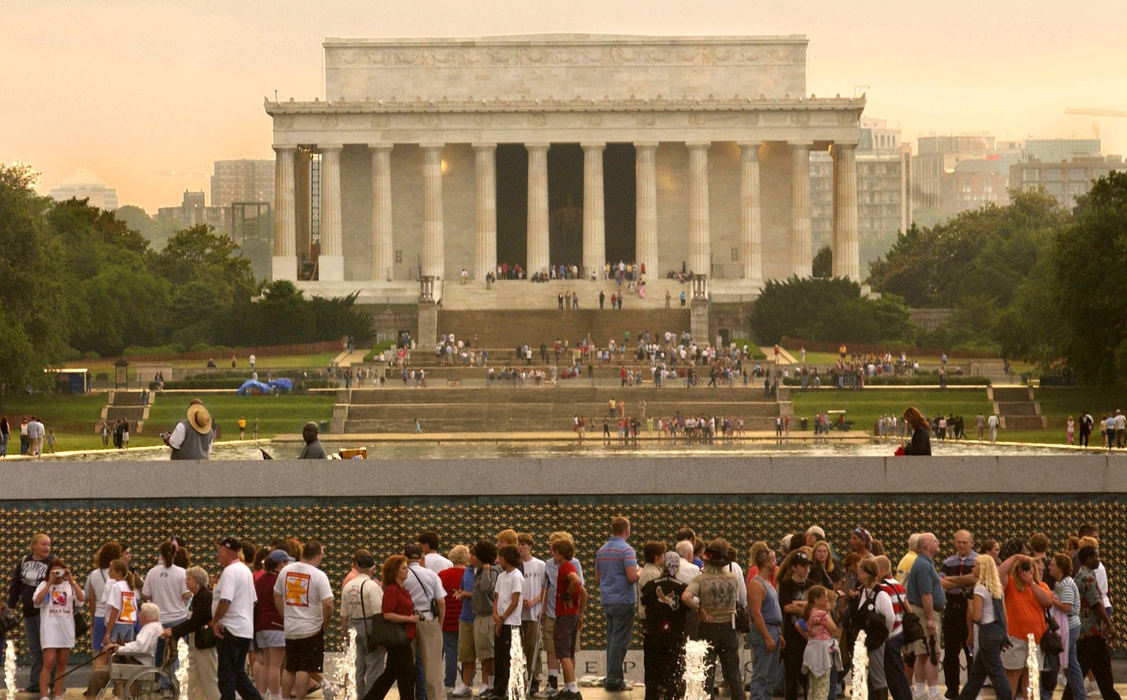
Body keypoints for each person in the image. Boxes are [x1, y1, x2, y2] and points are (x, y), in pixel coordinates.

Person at [682, 538, 745, 700]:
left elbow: (686, 596)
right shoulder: (733, 578)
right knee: (733, 675)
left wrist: (698, 608)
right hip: (728, 627)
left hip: (708, 626)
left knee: (707, 675)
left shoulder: (701, 579)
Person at [274, 541, 334, 700]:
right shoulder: (318, 575)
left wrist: (284, 615)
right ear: (317, 556)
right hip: (311, 628)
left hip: (291, 628)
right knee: (305, 668)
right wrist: (325, 624)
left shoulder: (285, 571)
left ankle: (285, 697)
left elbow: (277, 595)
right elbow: (328, 604)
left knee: (290, 667)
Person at [1063, 546, 1118, 700]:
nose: (1098, 559)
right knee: (1080, 671)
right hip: (1090, 634)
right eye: (1095, 557)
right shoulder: (1086, 578)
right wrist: (1110, 625)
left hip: (1093, 635)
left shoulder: (1085, 575)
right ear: (1087, 559)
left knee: (1103, 674)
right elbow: (1096, 604)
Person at [211, 537, 263, 700]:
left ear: (227, 551)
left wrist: (215, 621)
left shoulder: (230, 571)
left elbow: (225, 600)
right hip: (244, 631)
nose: (217, 554)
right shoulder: (246, 570)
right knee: (239, 676)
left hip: (231, 630)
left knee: (227, 677)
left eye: (219, 550)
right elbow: (253, 601)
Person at [996, 554, 1052, 700]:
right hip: (1015, 638)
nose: (1026, 571)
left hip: (1036, 640)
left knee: (1031, 677)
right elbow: (999, 573)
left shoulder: (1042, 586)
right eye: (1022, 569)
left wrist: (1031, 583)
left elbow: (1047, 601)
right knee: (1012, 674)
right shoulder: (1011, 584)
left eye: (1029, 568)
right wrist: (1015, 558)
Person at [954, 556, 1012, 700]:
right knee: (978, 674)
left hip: (987, 633)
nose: (972, 568)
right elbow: (1004, 613)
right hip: (999, 631)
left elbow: (977, 617)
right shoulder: (997, 588)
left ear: (983, 568)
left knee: (996, 672)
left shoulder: (980, 588)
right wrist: (1005, 633)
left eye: (975, 565)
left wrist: (970, 604)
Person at [595, 516, 639, 693]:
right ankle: (614, 679)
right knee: (621, 640)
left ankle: (612, 675)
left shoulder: (602, 550)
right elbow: (631, 577)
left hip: (607, 600)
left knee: (612, 639)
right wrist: (640, 572)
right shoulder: (627, 551)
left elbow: (597, 578)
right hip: (624, 600)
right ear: (626, 530)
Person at [366, 555, 418, 700]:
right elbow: (387, 614)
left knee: (392, 674)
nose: (407, 571)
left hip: (404, 636)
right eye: (404, 568)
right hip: (398, 638)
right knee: (406, 674)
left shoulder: (402, 590)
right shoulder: (392, 590)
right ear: (395, 571)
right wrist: (409, 618)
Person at [166, 566, 221, 700]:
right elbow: (191, 620)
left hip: (204, 642)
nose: (186, 582)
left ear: (197, 581)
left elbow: (195, 622)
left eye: (189, 579)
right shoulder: (196, 597)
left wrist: (173, 631)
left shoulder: (205, 597)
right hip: (195, 640)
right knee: (194, 676)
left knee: (208, 677)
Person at [34, 557, 85, 700]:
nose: (57, 575)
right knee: (49, 661)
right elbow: (37, 601)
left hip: (65, 628)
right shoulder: (44, 584)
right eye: (54, 571)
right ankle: (44, 695)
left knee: (62, 662)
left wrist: (72, 581)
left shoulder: (69, 585)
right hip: (50, 628)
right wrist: (50, 583)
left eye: (60, 571)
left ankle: (57, 694)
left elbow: (81, 599)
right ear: (49, 572)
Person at [8, 532, 52, 693]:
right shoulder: (24, 561)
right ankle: (35, 683)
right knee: (34, 649)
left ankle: (52, 682)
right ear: (34, 545)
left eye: (48, 544)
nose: (47, 547)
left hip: (45, 612)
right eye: (43, 544)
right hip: (28, 612)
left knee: (47, 648)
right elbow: (15, 585)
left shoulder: (52, 563)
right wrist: (11, 605)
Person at [403, 544, 447, 700]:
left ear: (404, 557)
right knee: (433, 669)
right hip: (428, 620)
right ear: (422, 557)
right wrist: (439, 625)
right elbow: (441, 602)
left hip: (407, 622)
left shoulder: (402, 575)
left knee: (408, 666)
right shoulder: (432, 575)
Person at [640, 551, 685, 700]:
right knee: (674, 677)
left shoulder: (650, 585)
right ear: (677, 567)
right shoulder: (683, 588)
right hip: (675, 637)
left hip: (653, 636)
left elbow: (644, 603)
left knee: (652, 677)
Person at [141, 540, 190, 680]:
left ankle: (159, 682)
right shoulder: (182, 573)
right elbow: (186, 594)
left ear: (160, 554)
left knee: (159, 654)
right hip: (178, 619)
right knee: (177, 654)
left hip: (159, 620)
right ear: (175, 554)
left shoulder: (152, 572)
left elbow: (146, 594)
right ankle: (174, 684)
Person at [904, 533, 944, 700]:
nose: (938, 543)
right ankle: (933, 691)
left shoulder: (924, 563)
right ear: (927, 545)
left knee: (922, 653)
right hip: (925, 612)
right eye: (935, 541)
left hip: (922, 611)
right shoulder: (923, 565)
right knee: (932, 652)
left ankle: (920, 691)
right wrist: (930, 619)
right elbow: (926, 594)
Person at [938, 531, 976, 699]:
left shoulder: (978, 561)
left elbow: (976, 579)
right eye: (958, 542)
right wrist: (964, 579)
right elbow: (941, 582)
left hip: (971, 607)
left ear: (971, 543)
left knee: (971, 650)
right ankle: (952, 689)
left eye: (964, 542)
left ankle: (972, 690)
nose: (961, 545)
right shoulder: (948, 562)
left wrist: (954, 580)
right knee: (951, 652)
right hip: (952, 608)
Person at [342, 553, 385, 698]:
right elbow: (378, 613)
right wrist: (381, 637)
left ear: (357, 566)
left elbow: (343, 615)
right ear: (373, 568)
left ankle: (359, 697)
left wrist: (344, 635)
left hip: (352, 626)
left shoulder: (348, 585)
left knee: (357, 668)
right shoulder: (372, 586)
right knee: (373, 667)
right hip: (370, 627)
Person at [1043, 554, 1084, 700]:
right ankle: (1080, 696)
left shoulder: (1066, 584)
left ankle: (1045, 694)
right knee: (1071, 665)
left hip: (1069, 627)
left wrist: (1051, 600)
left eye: (1053, 565)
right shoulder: (1061, 583)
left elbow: (1067, 607)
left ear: (1060, 568)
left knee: (1054, 659)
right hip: (1069, 626)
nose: (1049, 567)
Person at [549, 537, 585, 700]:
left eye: (553, 552)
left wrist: (566, 596)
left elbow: (576, 581)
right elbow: (584, 592)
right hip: (572, 615)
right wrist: (580, 613)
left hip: (564, 616)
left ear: (560, 554)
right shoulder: (571, 566)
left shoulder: (564, 568)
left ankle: (572, 689)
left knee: (562, 653)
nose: (552, 555)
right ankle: (568, 687)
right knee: (568, 653)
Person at [255, 550, 291, 699]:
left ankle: (261, 695)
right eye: (286, 563)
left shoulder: (260, 579)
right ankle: (276, 696)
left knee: (265, 663)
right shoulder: (280, 580)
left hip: (260, 625)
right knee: (275, 665)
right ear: (280, 563)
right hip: (276, 624)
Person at [747, 547, 782, 700]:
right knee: (761, 674)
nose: (775, 562)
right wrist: (767, 636)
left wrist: (778, 633)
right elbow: (756, 613)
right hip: (765, 630)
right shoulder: (756, 584)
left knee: (770, 675)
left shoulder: (767, 582)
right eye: (773, 559)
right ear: (765, 562)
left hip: (773, 629)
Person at [856, 560, 893, 700]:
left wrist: (884, 635)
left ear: (866, 573)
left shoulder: (881, 595)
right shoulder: (863, 591)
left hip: (875, 641)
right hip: (863, 641)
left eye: (860, 570)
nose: (858, 573)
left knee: (878, 677)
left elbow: (890, 617)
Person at [491, 545, 524, 699]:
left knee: (508, 658)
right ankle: (497, 688)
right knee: (499, 656)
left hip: (511, 623)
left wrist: (503, 618)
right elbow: (496, 598)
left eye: (501, 557)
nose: (499, 560)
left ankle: (508, 689)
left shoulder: (517, 576)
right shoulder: (501, 576)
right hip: (500, 621)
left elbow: (515, 601)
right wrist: (495, 615)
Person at [778, 550, 812, 700]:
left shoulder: (811, 585)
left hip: (809, 637)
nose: (806, 569)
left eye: (807, 566)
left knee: (808, 679)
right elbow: (786, 607)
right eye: (803, 566)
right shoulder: (786, 585)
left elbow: (817, 606)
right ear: (793, 567)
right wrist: (807, 606)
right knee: (791, 678)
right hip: (792, 636)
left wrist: (798, 604)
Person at [85, 541, 122, 672]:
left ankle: (96, 685)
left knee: (99, 654)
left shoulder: (93, 575)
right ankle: (117, 687)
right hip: (116, 618)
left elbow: (91, 599)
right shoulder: (119, 574)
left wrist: (93, 619)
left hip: (99, 616)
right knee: (116, 653)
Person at [517, 534, 546, 696]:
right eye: (518, 545)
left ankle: (534, 680)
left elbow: (544, 588)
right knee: (518, 648)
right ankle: (520, 680)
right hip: (518, 613)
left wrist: (535, 601)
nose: (520, 547)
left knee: (533, 647)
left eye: (523, 544)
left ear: (529, 546)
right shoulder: (516, 566)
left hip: (533, 613)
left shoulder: (539, 565)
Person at [436, 546, 467, 695]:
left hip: (447, 618)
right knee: (467, 654)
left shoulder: (442, 574)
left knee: (450, 652)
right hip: (466, 618)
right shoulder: (469, 574)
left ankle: (449, 683)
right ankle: (467, 682)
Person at [799, 585, 840, 700]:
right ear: (816, 600)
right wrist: (827, 610)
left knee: (812, 685)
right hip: (822, 652)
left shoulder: (808, 612)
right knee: (822, 686)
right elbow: (833, 629)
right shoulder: (822, 614)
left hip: (812, 648)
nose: (827, 600)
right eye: (824, 597)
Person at [102, 558, 139, 648]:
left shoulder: (116, 586)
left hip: (118, 625)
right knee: (124, 655)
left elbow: (115, 609)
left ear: (119, 572)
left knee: (109, 653)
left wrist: (107, 632)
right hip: (129, 625)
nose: (108, 572)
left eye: (111, 570)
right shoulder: (130, 586)